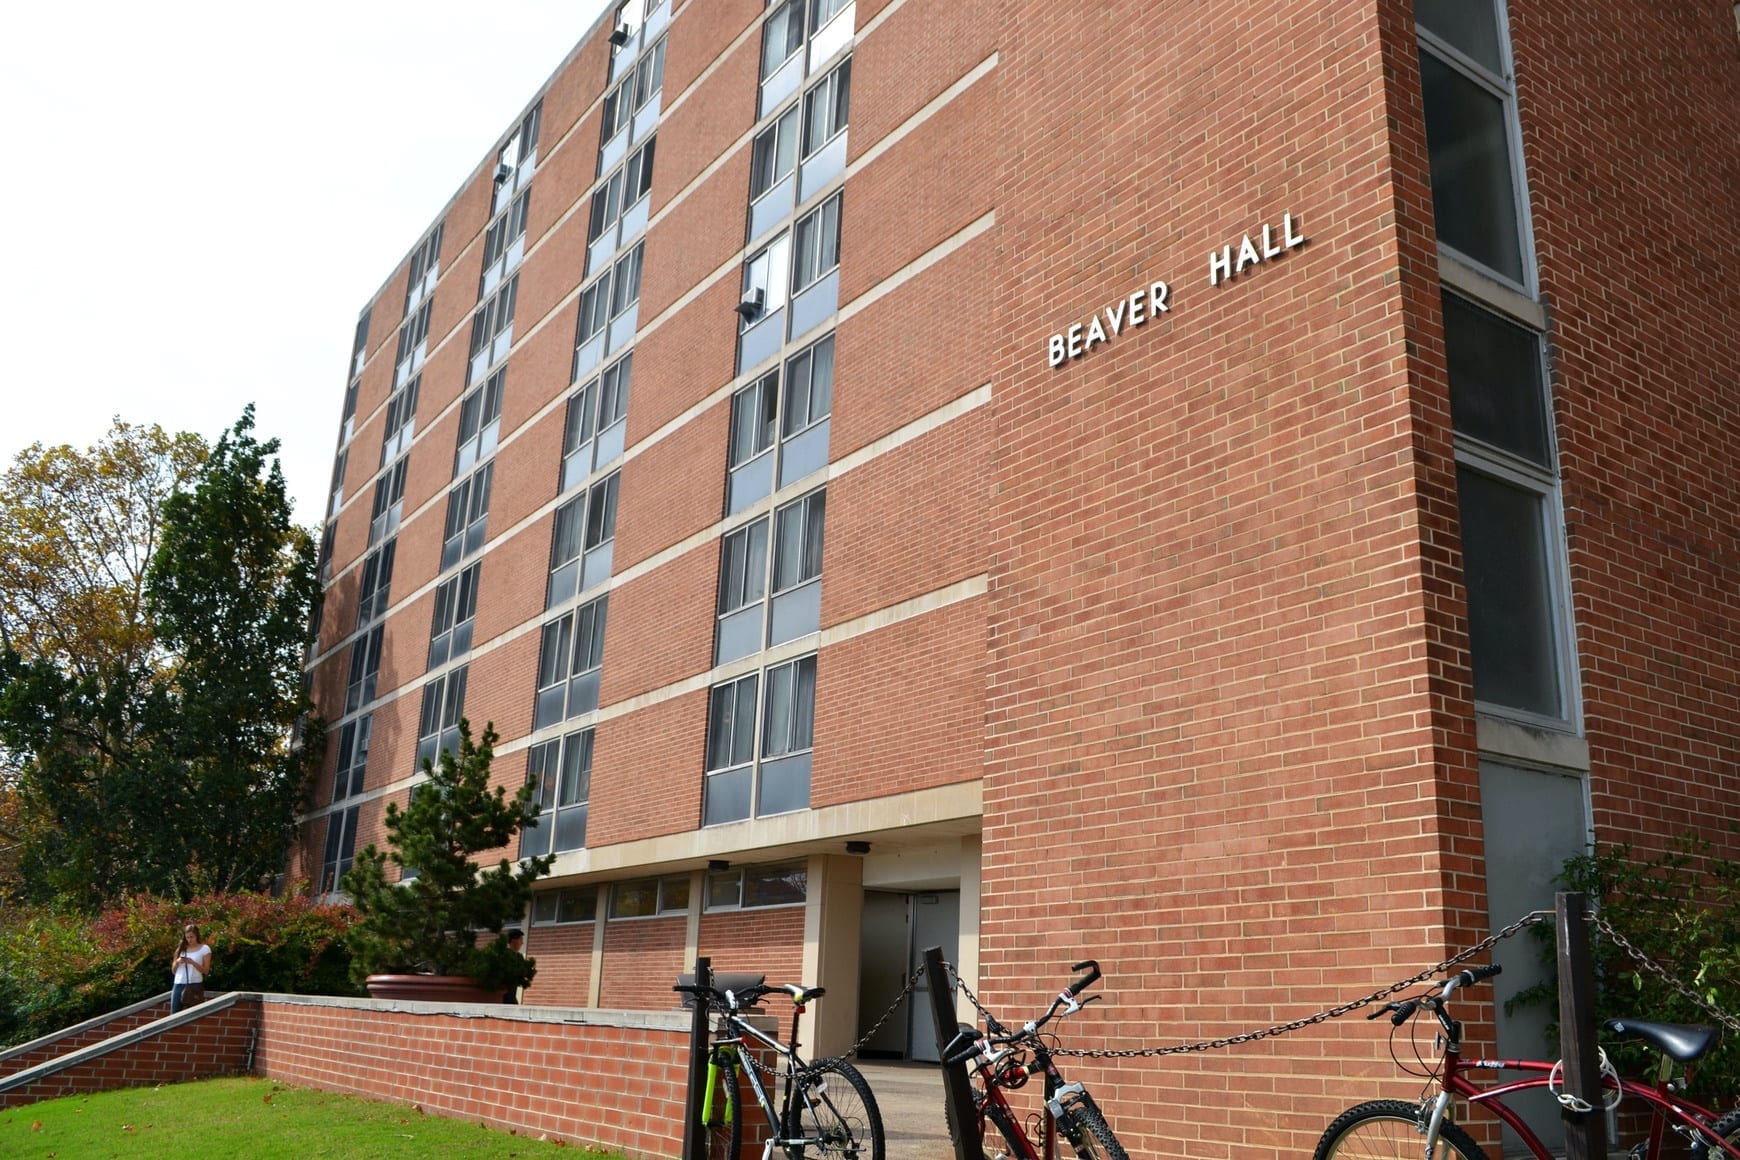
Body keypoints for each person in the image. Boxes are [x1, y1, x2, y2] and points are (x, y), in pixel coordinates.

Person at [170, 923, 212, 1013]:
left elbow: (206, 970)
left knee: (193, 1013)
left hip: (195, 983)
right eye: (187, 937)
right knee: (174, 1013)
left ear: (196, 936)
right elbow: (173, 971)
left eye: (192, 937)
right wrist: (177, 962)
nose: (189, 940)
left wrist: (192, 963)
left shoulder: (204, 949)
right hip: (179, 983)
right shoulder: (181, 949)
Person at [502, 929, 525, 1004]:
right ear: (513, 940)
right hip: (502, 997)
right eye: (520, 940)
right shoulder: (503, 956)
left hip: (512, 997)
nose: (522, 943)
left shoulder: (518, 957)